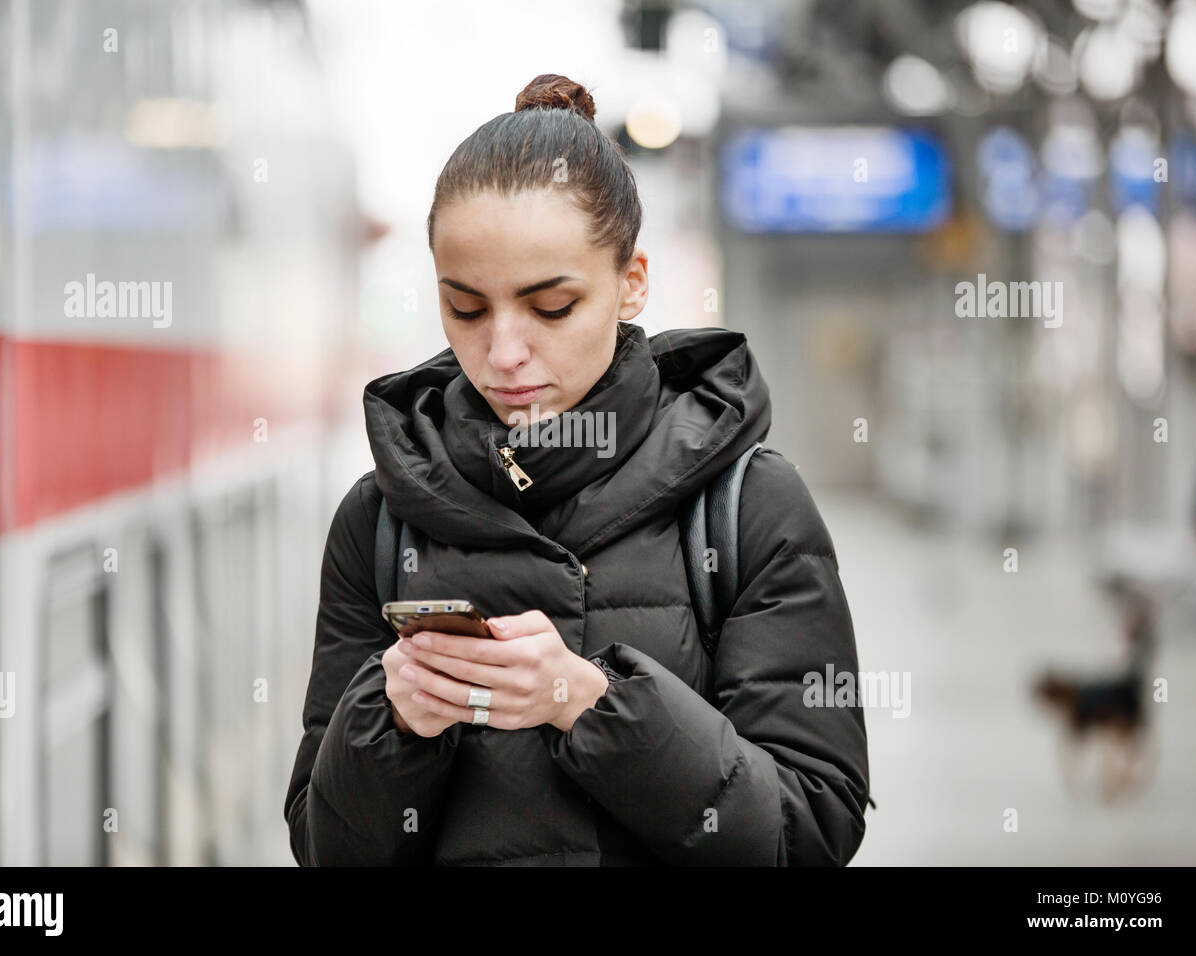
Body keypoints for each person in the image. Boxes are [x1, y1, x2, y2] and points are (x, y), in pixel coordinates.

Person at [283, 74, 871, 866]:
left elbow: (809, 835)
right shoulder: (380, 520)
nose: (503, 353)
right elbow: (324, 850)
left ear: (632, 284)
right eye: (465, 308)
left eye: (551, 307)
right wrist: (388, 723)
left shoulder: (748, 506)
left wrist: (591, 703)